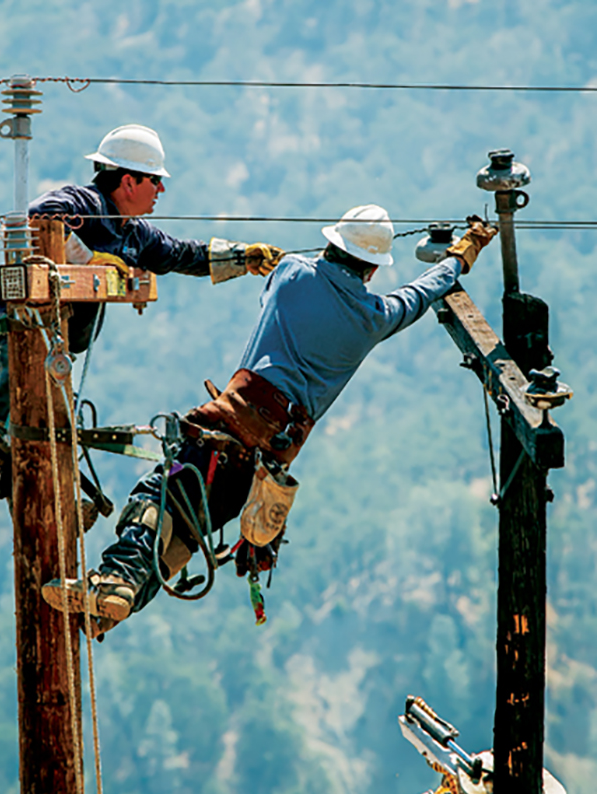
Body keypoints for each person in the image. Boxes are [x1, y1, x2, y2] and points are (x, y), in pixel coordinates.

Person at [41, 205, 497, 636]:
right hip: (256, 475)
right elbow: (421, 294)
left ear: (332, 243)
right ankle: (109, 612)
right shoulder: (373, 318)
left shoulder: (293, 272)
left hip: (222, 437)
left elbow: (286, 279)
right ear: (373, 269)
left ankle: (115, 582)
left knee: (154, 499)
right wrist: (462, 253)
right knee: (185, 532)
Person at [0, 124, 283, 579]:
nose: (161, 188)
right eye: (154, 180)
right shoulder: (80, 205)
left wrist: (243, 258)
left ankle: (55, 517)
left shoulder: (135, 234)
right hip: (6, 340)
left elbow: (182, 254)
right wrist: (91, 261)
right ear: (128, 181)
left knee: (46, 443)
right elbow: (37, 221)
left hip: (48, 356)